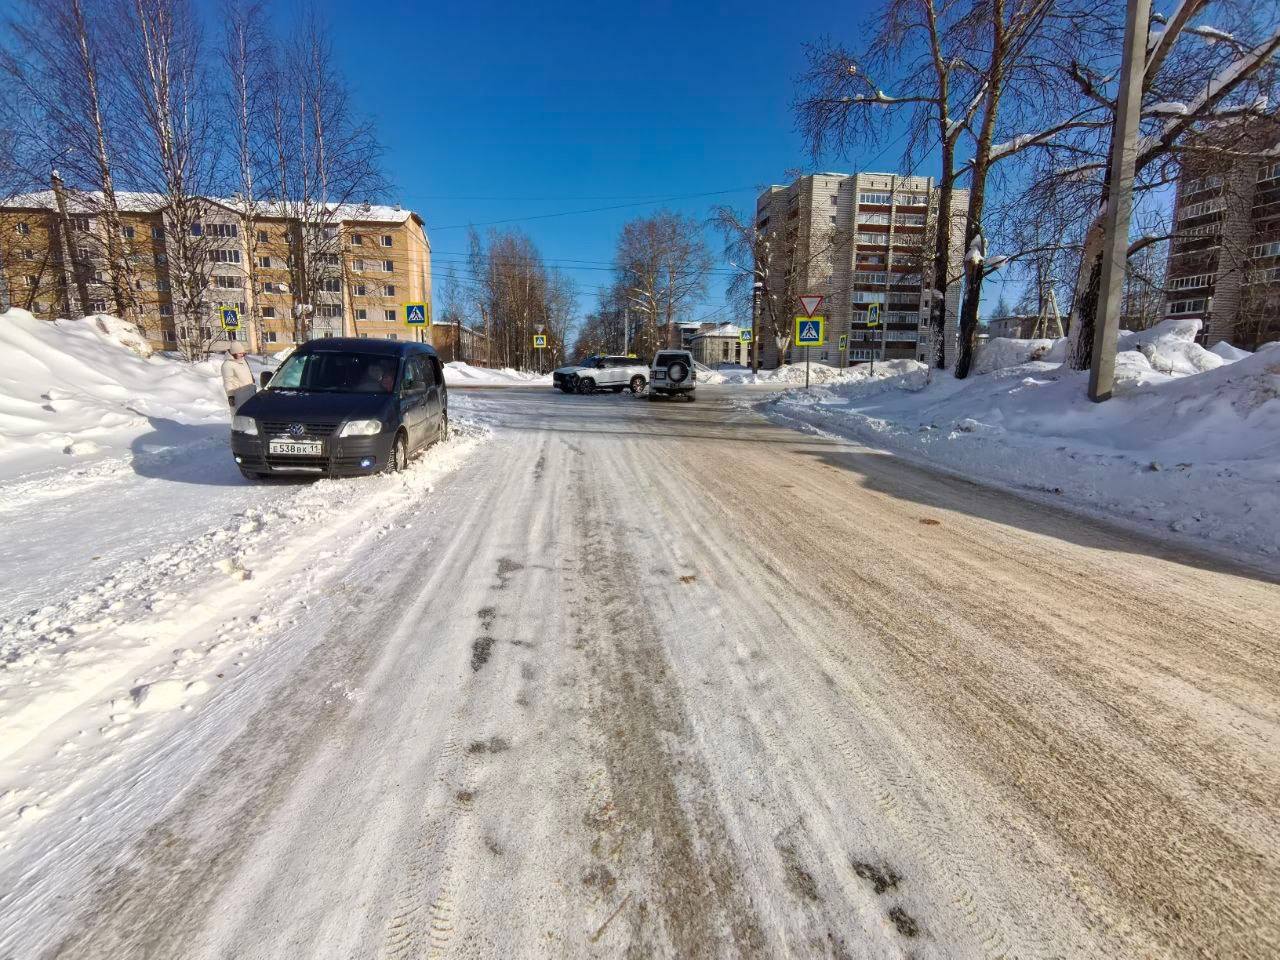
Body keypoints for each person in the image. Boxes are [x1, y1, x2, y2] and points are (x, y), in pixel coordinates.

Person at [221, 344, 255, 410]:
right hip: (239, 396)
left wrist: (252, 379)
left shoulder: (243, 361)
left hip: (250, 393)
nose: (242, 355)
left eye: (243, 353)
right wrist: (230, 396)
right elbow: (228, 382)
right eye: (239, 353)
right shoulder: (227, 365)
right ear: (233, 353)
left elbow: (248, 372)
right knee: (241, 416)